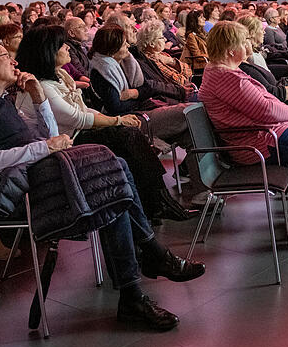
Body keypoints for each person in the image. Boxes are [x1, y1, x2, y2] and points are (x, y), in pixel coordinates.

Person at [0, 34, 203, 330]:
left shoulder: (0, 100)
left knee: (113, 177)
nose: (13, 61)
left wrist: (37, 96)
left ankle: (137, 286)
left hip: (40, 177)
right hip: (14, 194)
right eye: (4, 57)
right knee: (112, 173)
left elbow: (52, 133)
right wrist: (44, 148)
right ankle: (148, 263)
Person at [15, 26, 188, 222]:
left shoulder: (61, 76)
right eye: (61, 46)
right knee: (127, 135)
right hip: (64, 144)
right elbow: (78, 118)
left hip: (76, 135)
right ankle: (157, 201)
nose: (67, 48)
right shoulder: (42, 86)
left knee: (127, 137)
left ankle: (155, 201)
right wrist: (117, 120)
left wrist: (117, 121)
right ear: (47, 52)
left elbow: (85, 110)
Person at [198, 22, 288, 246]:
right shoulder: (226, 78)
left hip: (264, 134)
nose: (247, 44)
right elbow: (267, 109)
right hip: (257, 143)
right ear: (230, 50)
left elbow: (267, 102)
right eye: (243, 41)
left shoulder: (224, 72)